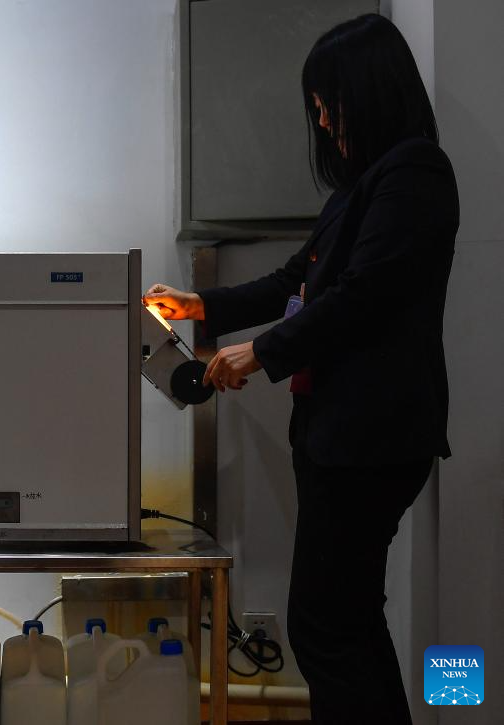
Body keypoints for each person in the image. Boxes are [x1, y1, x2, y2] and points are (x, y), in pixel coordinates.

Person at [145, 14, 458, 725]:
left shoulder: (414, 172)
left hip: (371, 439)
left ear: (369, 92)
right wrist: (202, 306)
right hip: (342, 437)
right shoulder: (362, 186)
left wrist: (260, 352)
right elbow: (297, 280)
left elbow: (362, 295)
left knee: (324, 628)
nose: (320, 120)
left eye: (328, 102)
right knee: (344, 621)